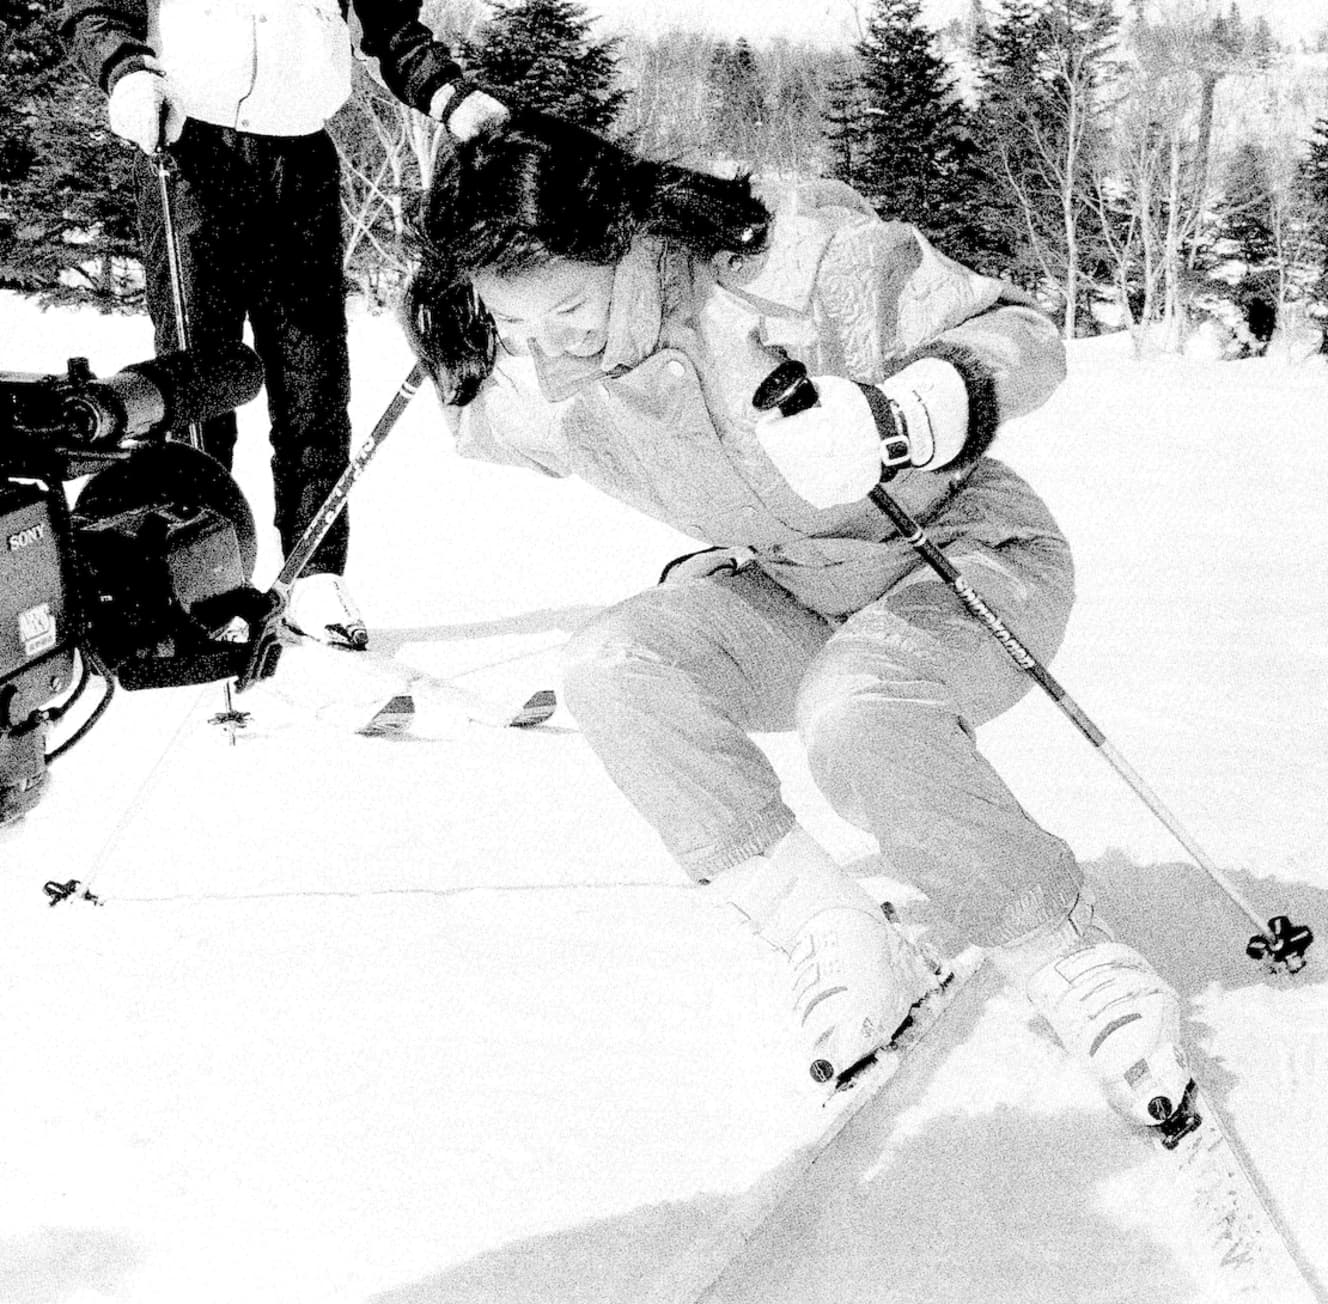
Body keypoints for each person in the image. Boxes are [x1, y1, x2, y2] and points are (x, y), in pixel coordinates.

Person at [401, 111, 1191, 1129]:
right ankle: (836, 931)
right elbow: (483, 419)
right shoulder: (558, 388)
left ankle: (1062, 943)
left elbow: (1021, 336)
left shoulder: (788, 269)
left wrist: (902, 415)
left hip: (964, 556)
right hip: (795, 590)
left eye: (570, 313)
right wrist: (454, 360)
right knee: (610, 665)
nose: (552, 354)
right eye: (516, 330)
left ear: (628, 238)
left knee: (854, 707)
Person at [58, 0, 507, 647]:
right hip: (189, 154)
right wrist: (125, 71)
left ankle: (315, 574)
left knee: (314, 380)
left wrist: (455, 98)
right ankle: (194, 573)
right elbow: (92, 7)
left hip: (300, 167)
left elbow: (388, 30)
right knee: (195, 382)